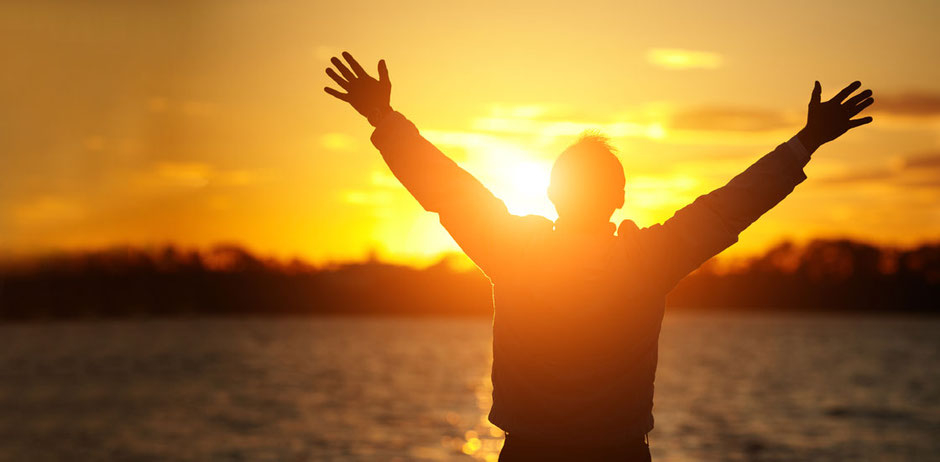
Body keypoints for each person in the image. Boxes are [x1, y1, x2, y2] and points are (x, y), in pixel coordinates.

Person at [323, 51, 874, 461]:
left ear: (552, 195)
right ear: (618, 199)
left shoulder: (517, 251)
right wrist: (805, 143)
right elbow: (732, 205)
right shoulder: (647, 258)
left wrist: (385, 120)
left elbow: (447, 188)